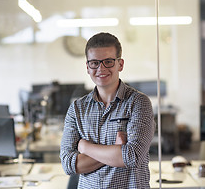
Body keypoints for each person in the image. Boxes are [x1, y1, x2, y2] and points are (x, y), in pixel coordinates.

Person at [60, 32, 156, 188]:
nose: (101, 68)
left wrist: (85, 147)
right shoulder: (77, 109)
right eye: (94, 63)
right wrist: (117, 150)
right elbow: (69, 165)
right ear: (87, 67)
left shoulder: (139, 103)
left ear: (120, 64)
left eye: (109, 61)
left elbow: (132, 157)